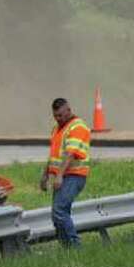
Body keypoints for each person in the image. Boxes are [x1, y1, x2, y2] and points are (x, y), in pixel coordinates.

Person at [40, 97, 91, 247]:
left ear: (69, 110)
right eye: (55, 116)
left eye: (61, 115)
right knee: (57, 216)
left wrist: (59, 175)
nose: (58, 119)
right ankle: (66, 249)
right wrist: (45, 175)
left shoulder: (77, 127)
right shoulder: (56, 128)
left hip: (74, 175)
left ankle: (75, 247)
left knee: (59, 211)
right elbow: (53, 154)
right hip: (61, 176)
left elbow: (70, 153)